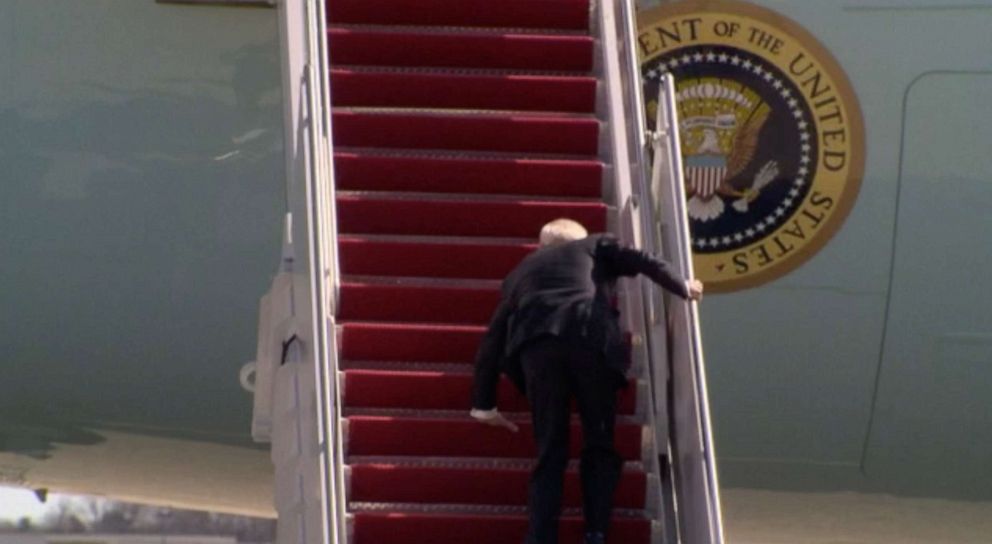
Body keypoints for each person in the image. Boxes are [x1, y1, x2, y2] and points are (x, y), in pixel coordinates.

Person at [470, 218, 703, 544]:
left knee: (550, 449)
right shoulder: (596, 244)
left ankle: (540, 536)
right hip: (591, 339)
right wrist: (682, 285)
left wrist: (484, 404)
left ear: (542, 245)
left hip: (538, 350)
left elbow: (493, 338)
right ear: (579, 239)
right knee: (599, 441)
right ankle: (595, 531)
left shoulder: (520, 271)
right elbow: (643, 259)